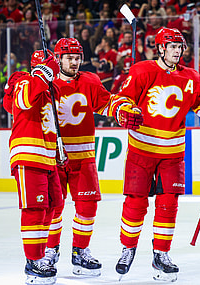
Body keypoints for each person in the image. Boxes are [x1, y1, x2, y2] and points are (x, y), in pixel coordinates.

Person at [112, 27, 200, 282]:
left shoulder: (192, 77)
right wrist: (124, 112)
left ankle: (160, 253)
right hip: (141, 151)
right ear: (161, 48)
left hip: (173, 153)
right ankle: (127, 248)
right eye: (172, 46)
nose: (177, 51)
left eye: (180, 47)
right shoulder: (142, 70)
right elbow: (121, 100)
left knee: (168, 205)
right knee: (135, 202)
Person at [43, 37, 142, 277]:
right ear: (58, 59)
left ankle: (80, 251)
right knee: (53, 208)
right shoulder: (45, 83)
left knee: (87, 207)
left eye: (78, 58)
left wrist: (122, 110)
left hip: (83, 156)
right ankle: (50, 251)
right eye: (70, 58)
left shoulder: (89, 80)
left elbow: (107, 102)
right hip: (53, 157)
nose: (75, 62)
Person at [3, 50, 62, 285]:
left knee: (54, 205)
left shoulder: (49, 89)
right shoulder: (24, 80)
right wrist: (42, 73)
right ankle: (33, 260)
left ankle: (39, 254)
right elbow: (22, 101)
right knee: (35, 208)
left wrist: (60, 150)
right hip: (29, 152)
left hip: (48, 156)